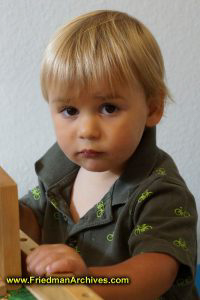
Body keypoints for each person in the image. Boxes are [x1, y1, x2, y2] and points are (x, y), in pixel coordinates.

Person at [19, 10, 198, 299]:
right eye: (70, 111)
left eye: (109, 108)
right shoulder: (61, 166)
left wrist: (85, 278)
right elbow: (34, 220)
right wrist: (10, 214)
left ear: (153, 108)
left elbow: (155, 272)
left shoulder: (161, 191)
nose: (87, 130)